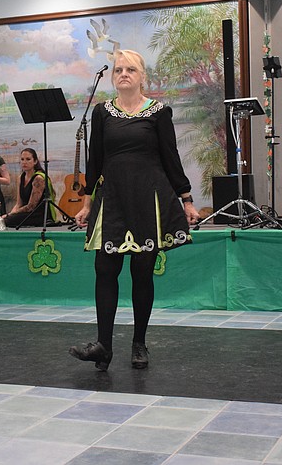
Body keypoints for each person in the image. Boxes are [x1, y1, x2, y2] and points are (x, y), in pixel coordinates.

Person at [69, 49, 200, 371]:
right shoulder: (102, 113)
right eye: (118, 70)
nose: (123, 74)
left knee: (142, 273)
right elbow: (95, 160)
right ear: (113, 77)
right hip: (112, 198)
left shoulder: (158, 112)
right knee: (105, 269)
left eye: (130, 69)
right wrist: (87, 201)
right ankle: (103, 345)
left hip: (147, 199)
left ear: (142, 76)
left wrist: (186, 198)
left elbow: (171, 157)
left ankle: (139, 343)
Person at [2, 148, 57, 228]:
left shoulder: (39, 178)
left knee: (8, 220)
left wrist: (9, 215)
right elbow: (19, 204)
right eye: (22, 159)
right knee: (5, 220)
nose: (24, 162)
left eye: (28, 159)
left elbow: (31, 206)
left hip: (38, 214)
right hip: (26, 213)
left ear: (35, 161)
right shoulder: (21, 177)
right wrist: (9, 215)